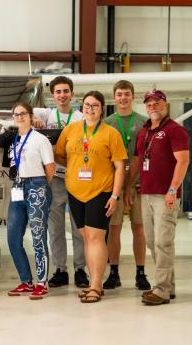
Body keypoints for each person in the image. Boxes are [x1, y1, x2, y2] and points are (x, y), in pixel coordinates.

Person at [55, 91, 126, 303]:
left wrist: (115, 195)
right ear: (82, 107)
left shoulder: (111, 133)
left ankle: (96, 285)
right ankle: (94, 282)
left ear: (102, 108)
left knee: (96, 238)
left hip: (101, 191)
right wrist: (76, 168)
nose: (90, 109)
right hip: (76, 192)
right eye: (87, 105)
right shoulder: (71, 130)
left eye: (95, 105)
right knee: (87, 238)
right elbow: (60, 154)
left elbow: (120, 166)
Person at [126, 89, 189, 306]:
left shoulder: (175, 130)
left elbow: (183, 161)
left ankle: (161, 289)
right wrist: (128, 187)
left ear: (165, 103)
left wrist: (173, 190)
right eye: (149, 103)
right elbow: (137, 161)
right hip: (146, 193)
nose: (153, 106)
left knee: (164, 242)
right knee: (152, 241)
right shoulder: (144, 131)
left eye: (157, 102)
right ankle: (168, 286)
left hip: (165, 195)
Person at [33, 76, 89, 288]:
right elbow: (17, 111)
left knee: (78, 227)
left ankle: (80, 269)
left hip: (76, 178)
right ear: (52, 95)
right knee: (55, 227)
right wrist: (32, 119)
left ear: (72, 94)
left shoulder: (81, 117)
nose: (62, 95)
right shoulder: (46, 114)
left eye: (66, 91)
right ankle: (60, 269)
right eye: (58, 92)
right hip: (53, 179)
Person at [0, 103, 55, 300]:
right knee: (13, 237)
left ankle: (42, 282)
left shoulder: (40, 140)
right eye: (16, 114)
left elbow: (50, 168)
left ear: (31, 116)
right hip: (17, 187)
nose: (19, 117)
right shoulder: (13, 140)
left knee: (38, 237)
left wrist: (40, 188)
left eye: (23, 114)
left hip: (36, 185)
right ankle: (25, 281)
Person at [103, 80, 151, 290]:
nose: (123, 98)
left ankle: (141, 272)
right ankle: (114, 272)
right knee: (114, 228)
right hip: (115, 185)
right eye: (119, 94)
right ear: (114, 97)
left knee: (139, 228)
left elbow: (149, 154)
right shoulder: (107, 123)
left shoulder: (145, 122)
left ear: (133, 96)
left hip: (140, 184)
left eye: (127, 94)